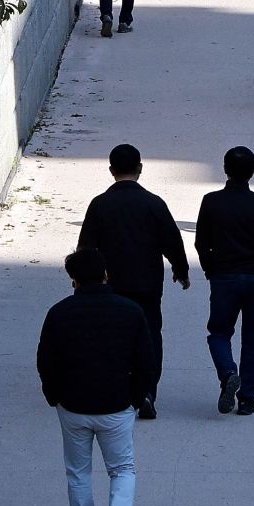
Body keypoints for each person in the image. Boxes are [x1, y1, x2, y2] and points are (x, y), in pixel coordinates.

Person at [36, 248, 153, 506]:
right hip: (116, 404)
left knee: (78, 472)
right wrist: (136, 396)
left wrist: (54, 396)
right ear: (106, 274)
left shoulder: (59, 313)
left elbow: (46, 360)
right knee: (122, 468)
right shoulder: (130, 311)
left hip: (73, 406)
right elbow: (146, 360)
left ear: (73, 280)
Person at [75, 144, 190, 420]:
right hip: (146, 285)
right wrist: (181, 269)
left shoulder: (99, 205)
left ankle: (115, 390)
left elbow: (86, 247)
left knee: (108, 336)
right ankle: (147, 392)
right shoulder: (154, 204)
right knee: (149, 335)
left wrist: (81, 279)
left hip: (109, 287)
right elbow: (172, 240)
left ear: (111, 170)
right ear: (140, 169)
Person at [194, 146, 254, 416]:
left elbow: (201, 242)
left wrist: (210, 269)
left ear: (224, 169)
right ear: (253, 172)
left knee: (219, 333)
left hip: (223, 277)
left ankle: (228, 372)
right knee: (253, 340)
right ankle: (247, 398)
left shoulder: (211, 201)